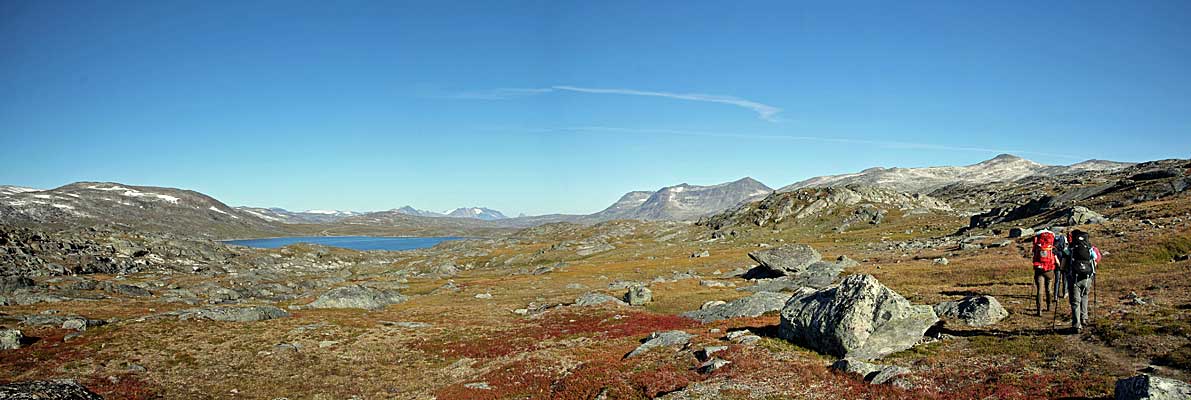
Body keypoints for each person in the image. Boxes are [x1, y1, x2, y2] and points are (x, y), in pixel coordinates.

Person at [1066, 229, 1101, 332]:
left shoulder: (1070, 249)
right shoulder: (1090, 248)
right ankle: (1084, 318)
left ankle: (1077, 325)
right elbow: (1096, 260)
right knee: (1084, 296)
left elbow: (1063, 265)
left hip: (1074, 278)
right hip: (1087, 278)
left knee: (1075, 302)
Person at [1031, 229, 1061, 316]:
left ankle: (1039, 310)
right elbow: (1056, 260)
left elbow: (1034, 257)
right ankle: (1049, 306)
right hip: (1050, 270)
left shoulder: (1037, 246)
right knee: (1049, 289)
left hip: (1039, 270)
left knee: (1039, 291)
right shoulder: (1051, 247)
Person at [1053, 231, 1069, 300]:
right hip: (1064, 261)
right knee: (1065, 278)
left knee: (1057, 280)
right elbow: (1067, 252)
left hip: (1057, 263)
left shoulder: (1054, 241)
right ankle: (1065, 292)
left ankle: (1055, 295)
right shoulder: (1064, 239)